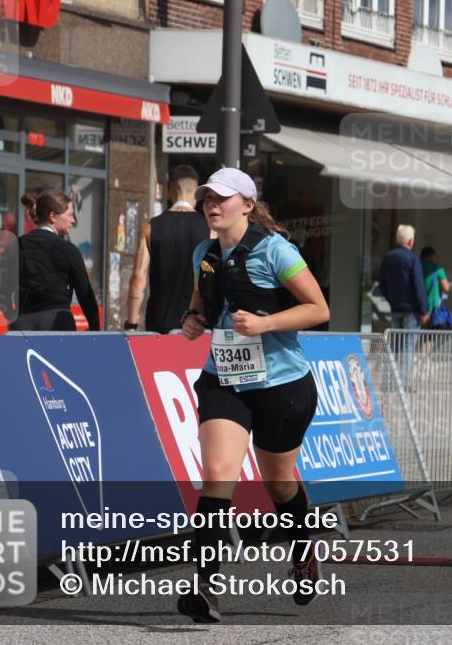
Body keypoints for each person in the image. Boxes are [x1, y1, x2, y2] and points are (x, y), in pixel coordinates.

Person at [177, 168, 330, 623]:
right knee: (218, 475)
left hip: (282, 383)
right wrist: (193, 319)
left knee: (279, 483)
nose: (211, 204)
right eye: (206, 197)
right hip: (224, 377)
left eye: (221, 198)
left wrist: (264, 324)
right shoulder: (203, 252)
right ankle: (206, 589)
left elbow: (318, 308)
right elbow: (201, 303)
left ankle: (303, 547)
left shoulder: (275, 250)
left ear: (246, 204)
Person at [125, 165, 210, 332]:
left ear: (168, 192)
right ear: (196, 193)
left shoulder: (150, 227)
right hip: (198, 324)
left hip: (158, 322)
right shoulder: (210, 229)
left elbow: (138, 277)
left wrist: (131, 323)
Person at [3, 190, 100, 331]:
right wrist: (94, 329)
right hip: (57, 323)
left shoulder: (15, 246)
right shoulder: (68, 250)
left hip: (23, 324)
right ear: (53, 216)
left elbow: (3, 289)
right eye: (70, 215)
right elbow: (85, 295)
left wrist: (12, 316)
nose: (73, 220)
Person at [378, 225, 429, 386]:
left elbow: (382, 284)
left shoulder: (388, 257)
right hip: (411, 310)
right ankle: (401, 383)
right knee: (408, 347)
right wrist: (424, 310)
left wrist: (391, 299)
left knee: (396, 345)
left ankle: (392, 379)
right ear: (410, 240)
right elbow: (418, 285)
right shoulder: (413, 258)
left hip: (395, 309)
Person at [420, 246, 451, 328]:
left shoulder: (416, 267)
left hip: (417, 309)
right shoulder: (437, 268)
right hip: (433, 310)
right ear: (432, 256)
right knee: (434, 337)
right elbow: (446, 288)